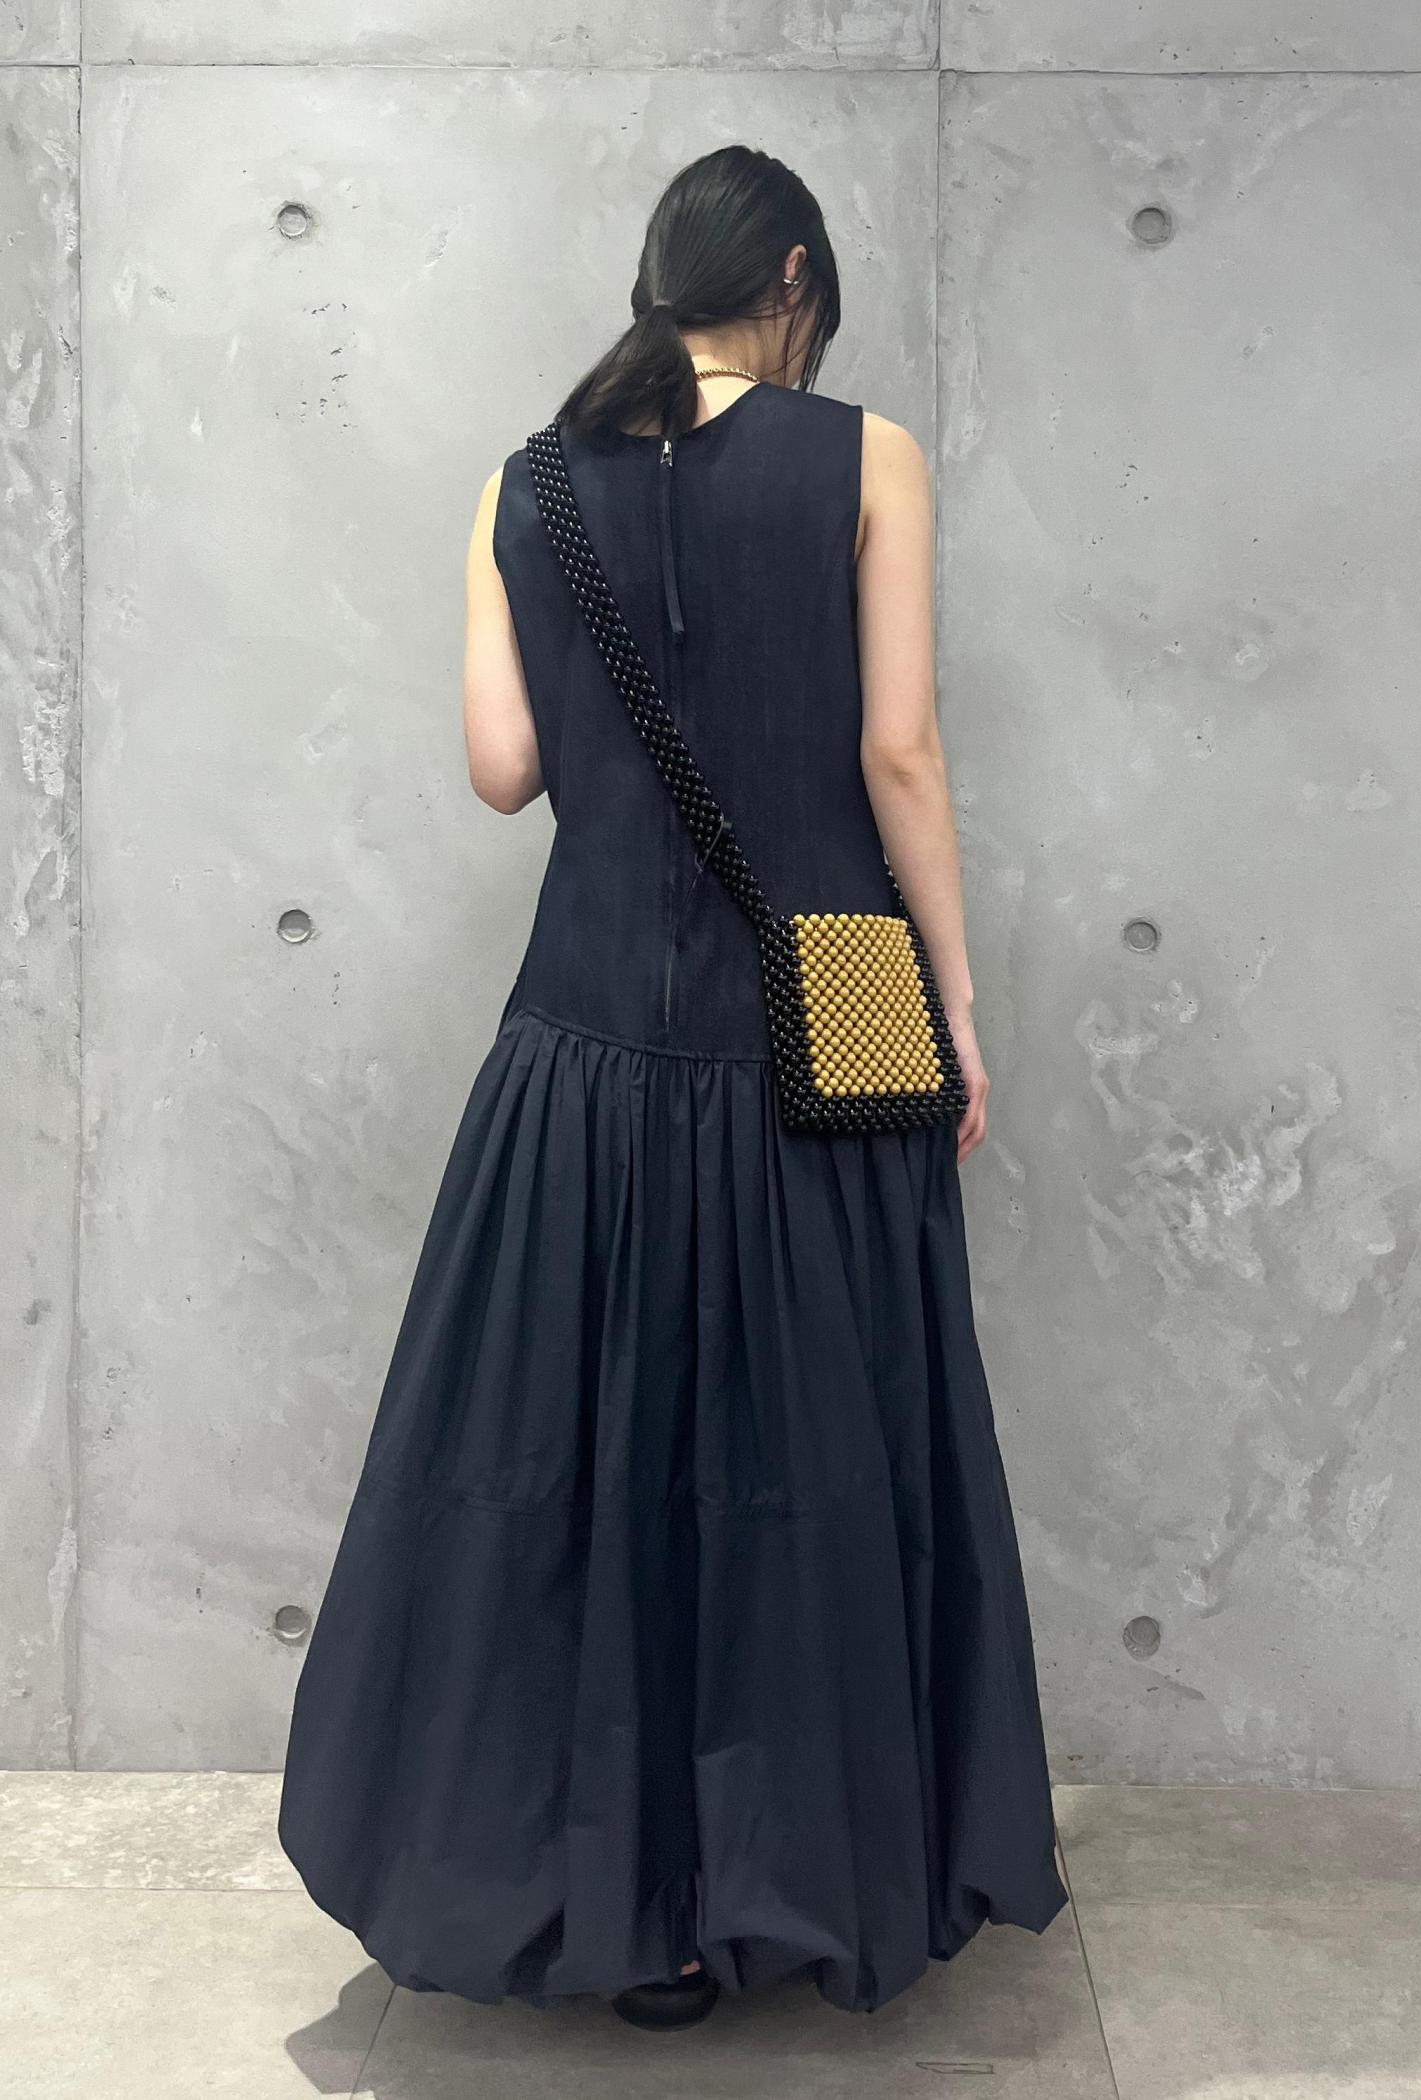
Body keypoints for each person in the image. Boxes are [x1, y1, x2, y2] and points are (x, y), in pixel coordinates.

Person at [277, 141, 1069, 2033]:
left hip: (587, 1031)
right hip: (837, 997)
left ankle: (631, 1910)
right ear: (792, 279)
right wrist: (960, 1005)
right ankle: (804, 1875)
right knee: (822, 1450)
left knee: (584, 1463)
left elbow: (502, 771)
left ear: (662, 279)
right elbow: (897, 752)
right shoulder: (867, 460)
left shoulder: (525, 480)